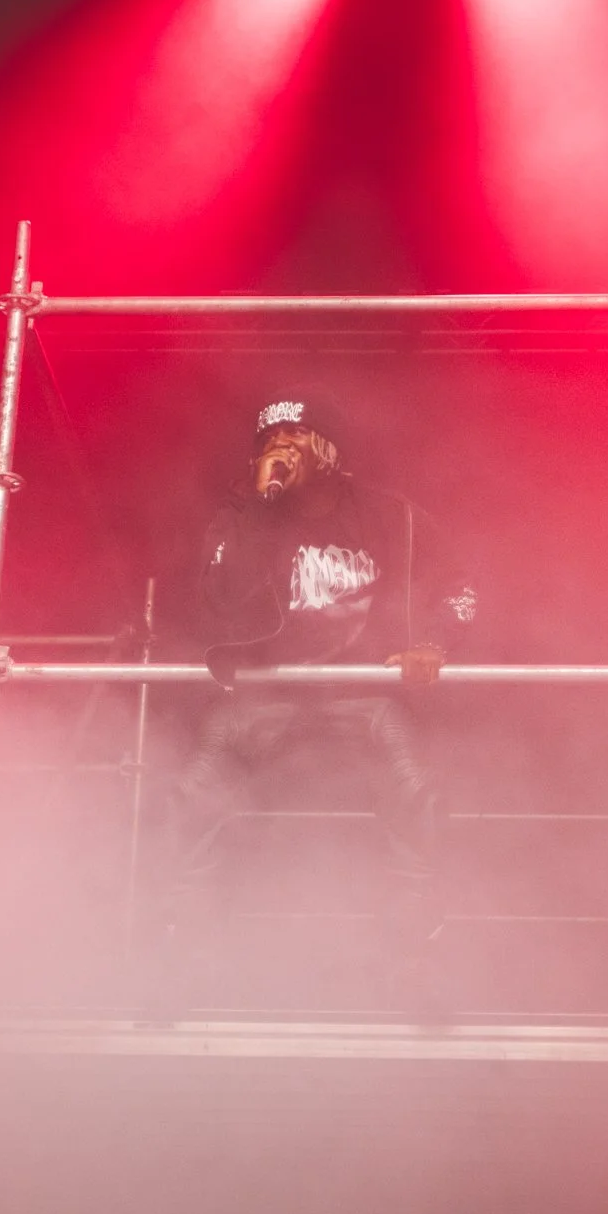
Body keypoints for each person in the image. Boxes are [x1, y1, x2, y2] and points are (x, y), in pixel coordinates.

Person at [155, 385, 477, 1012]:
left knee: (419, 798)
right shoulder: (242, 517)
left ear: (329, 449)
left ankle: (419, 965)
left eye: (294, 436)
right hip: (263, 698)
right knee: (189, 799)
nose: (279, 447)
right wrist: (253, 507)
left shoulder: (391, 517)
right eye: (268, 440)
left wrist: (434, 644)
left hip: (363, 697)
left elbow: (460, 586)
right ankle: (180, 965)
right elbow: (212, 602)